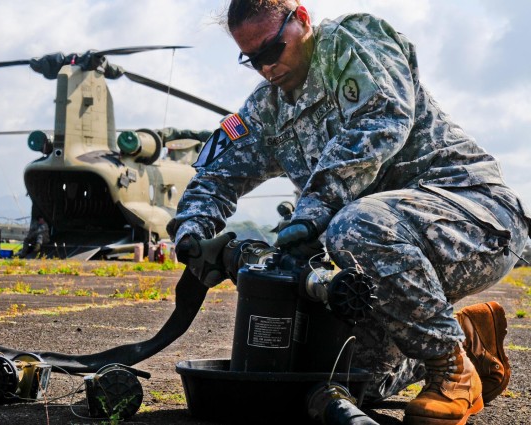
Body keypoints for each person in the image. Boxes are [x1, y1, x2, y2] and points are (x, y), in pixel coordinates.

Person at [167, 1, 531, 424]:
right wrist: (192, 231)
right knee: (341, 377)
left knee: (354, 224)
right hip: (380, 244)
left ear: (301, 19)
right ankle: (465, 338)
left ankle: (450, 369)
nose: (266, 68)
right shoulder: (266, 111)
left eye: (273, 50)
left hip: (473, 215)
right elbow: (216, 176)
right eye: (254, 60)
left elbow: (384, 117)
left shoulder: (355, 41)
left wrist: (313, 209)